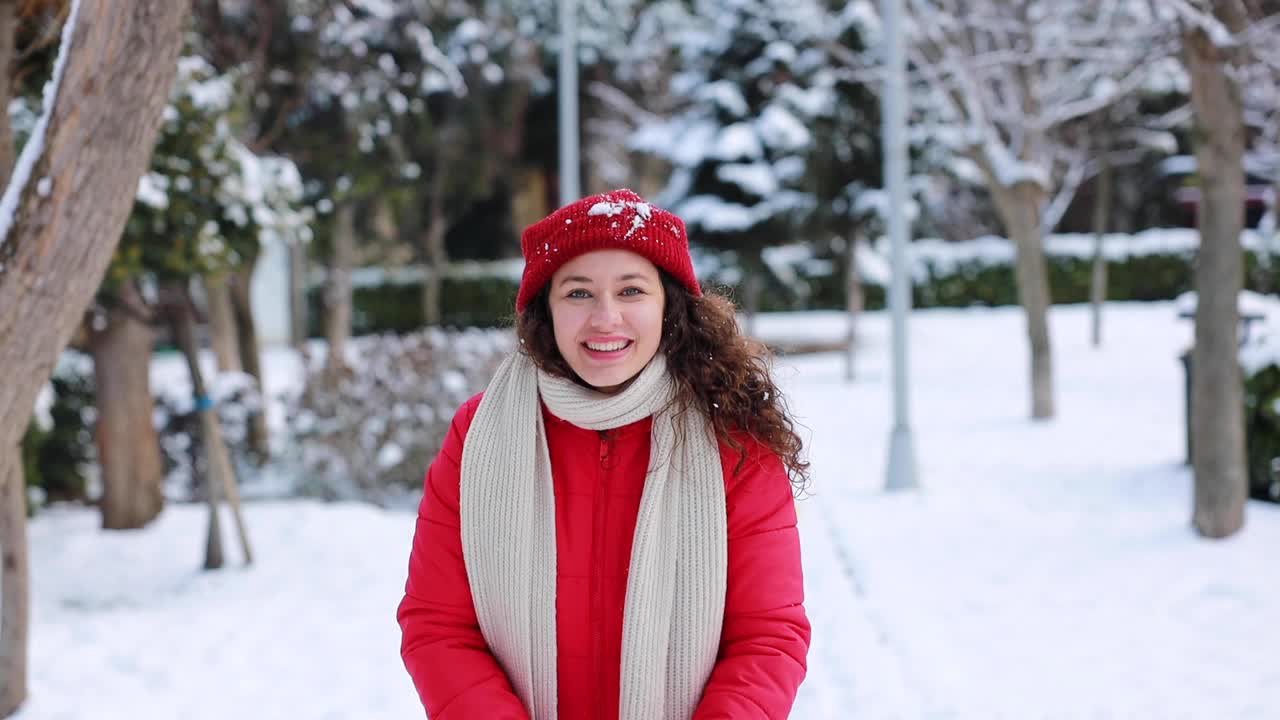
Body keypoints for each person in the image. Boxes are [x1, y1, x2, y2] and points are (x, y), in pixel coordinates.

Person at [397, 188, 811, 719]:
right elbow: (437, 624)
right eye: (578, 293)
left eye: (632, 290)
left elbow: (768, 636)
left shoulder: (734, 439)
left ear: (670, 306)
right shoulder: (478, 434)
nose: (605, 318)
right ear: (546, 307)